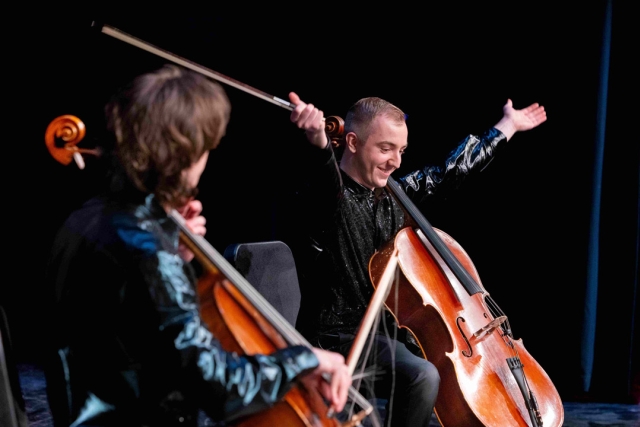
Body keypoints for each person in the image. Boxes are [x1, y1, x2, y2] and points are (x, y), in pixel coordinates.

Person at [42, 64, 353, 427]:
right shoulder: (148, 250)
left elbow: (127, 332)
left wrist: (172, 254)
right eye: (206, 148)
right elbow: (218, 385)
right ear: (184, 153)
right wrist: (306, 360)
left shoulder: (83, 218)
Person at [287, 92, 547, 427]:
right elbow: (324, 184)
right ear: (351, 142)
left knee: (424, 375)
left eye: (401, 150)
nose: (396, 161)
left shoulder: (395, 195)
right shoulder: (329, 199)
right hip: (333, 338)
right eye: (385, 148)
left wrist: (506, 126)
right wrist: (320, 143)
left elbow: (451, 171)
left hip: (382, 337)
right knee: (416, 378)